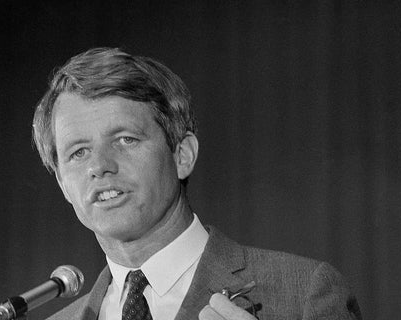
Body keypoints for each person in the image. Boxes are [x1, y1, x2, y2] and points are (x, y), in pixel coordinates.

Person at [32, 47, 362, 320]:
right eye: (78, 152)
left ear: (182, 155)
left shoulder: (305, 294)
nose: (100, 166)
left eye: (125, 140)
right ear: (62, 182)